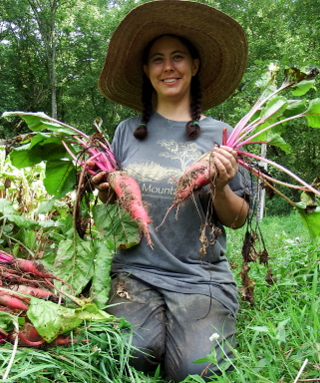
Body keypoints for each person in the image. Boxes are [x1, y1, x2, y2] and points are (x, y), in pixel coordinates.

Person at [93, 1, 250, 381]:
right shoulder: (125, 131)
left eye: (178, 57)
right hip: (135, 271)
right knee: (132, 352)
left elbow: (238, 217)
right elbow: (110, 199)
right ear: (147, 71)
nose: (168, 67)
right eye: (158, 59)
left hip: (200, 275)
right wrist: (107, 185)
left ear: (194, 66)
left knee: (196, 369)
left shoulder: (222, 135)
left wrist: (222, 184)